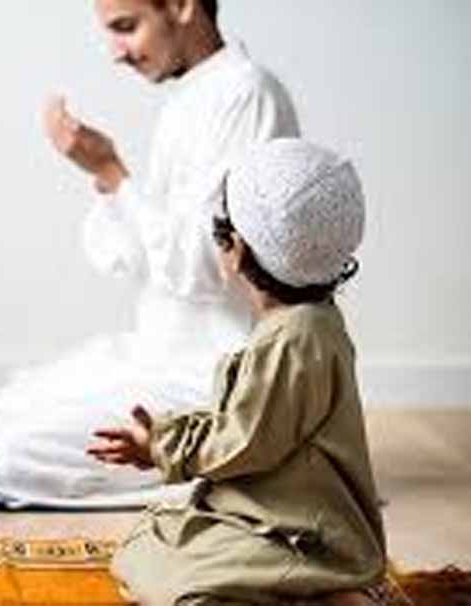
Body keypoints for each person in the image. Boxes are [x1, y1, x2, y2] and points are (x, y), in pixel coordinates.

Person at [0, 0, 300, 506]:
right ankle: (198, 458)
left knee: (20, 455)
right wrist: (107, 182)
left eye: (126, 27)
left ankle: (227, 461)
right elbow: (137, 258)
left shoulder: (247, 95)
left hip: (211, 373)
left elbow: (203, 266)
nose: (117, 53)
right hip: (156, 352)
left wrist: (113, 172)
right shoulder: (188, 99)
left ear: (182, 7)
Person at [88, 138, 386, 605]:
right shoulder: (307, 324)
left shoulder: (294, 338)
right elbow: (249, 423)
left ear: (237, 250)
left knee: (173, 579)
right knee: (148, 542)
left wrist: (163, 446)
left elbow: (245, 439)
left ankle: (328, 589)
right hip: (268, 515)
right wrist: (164, 439)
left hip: (305, 535)